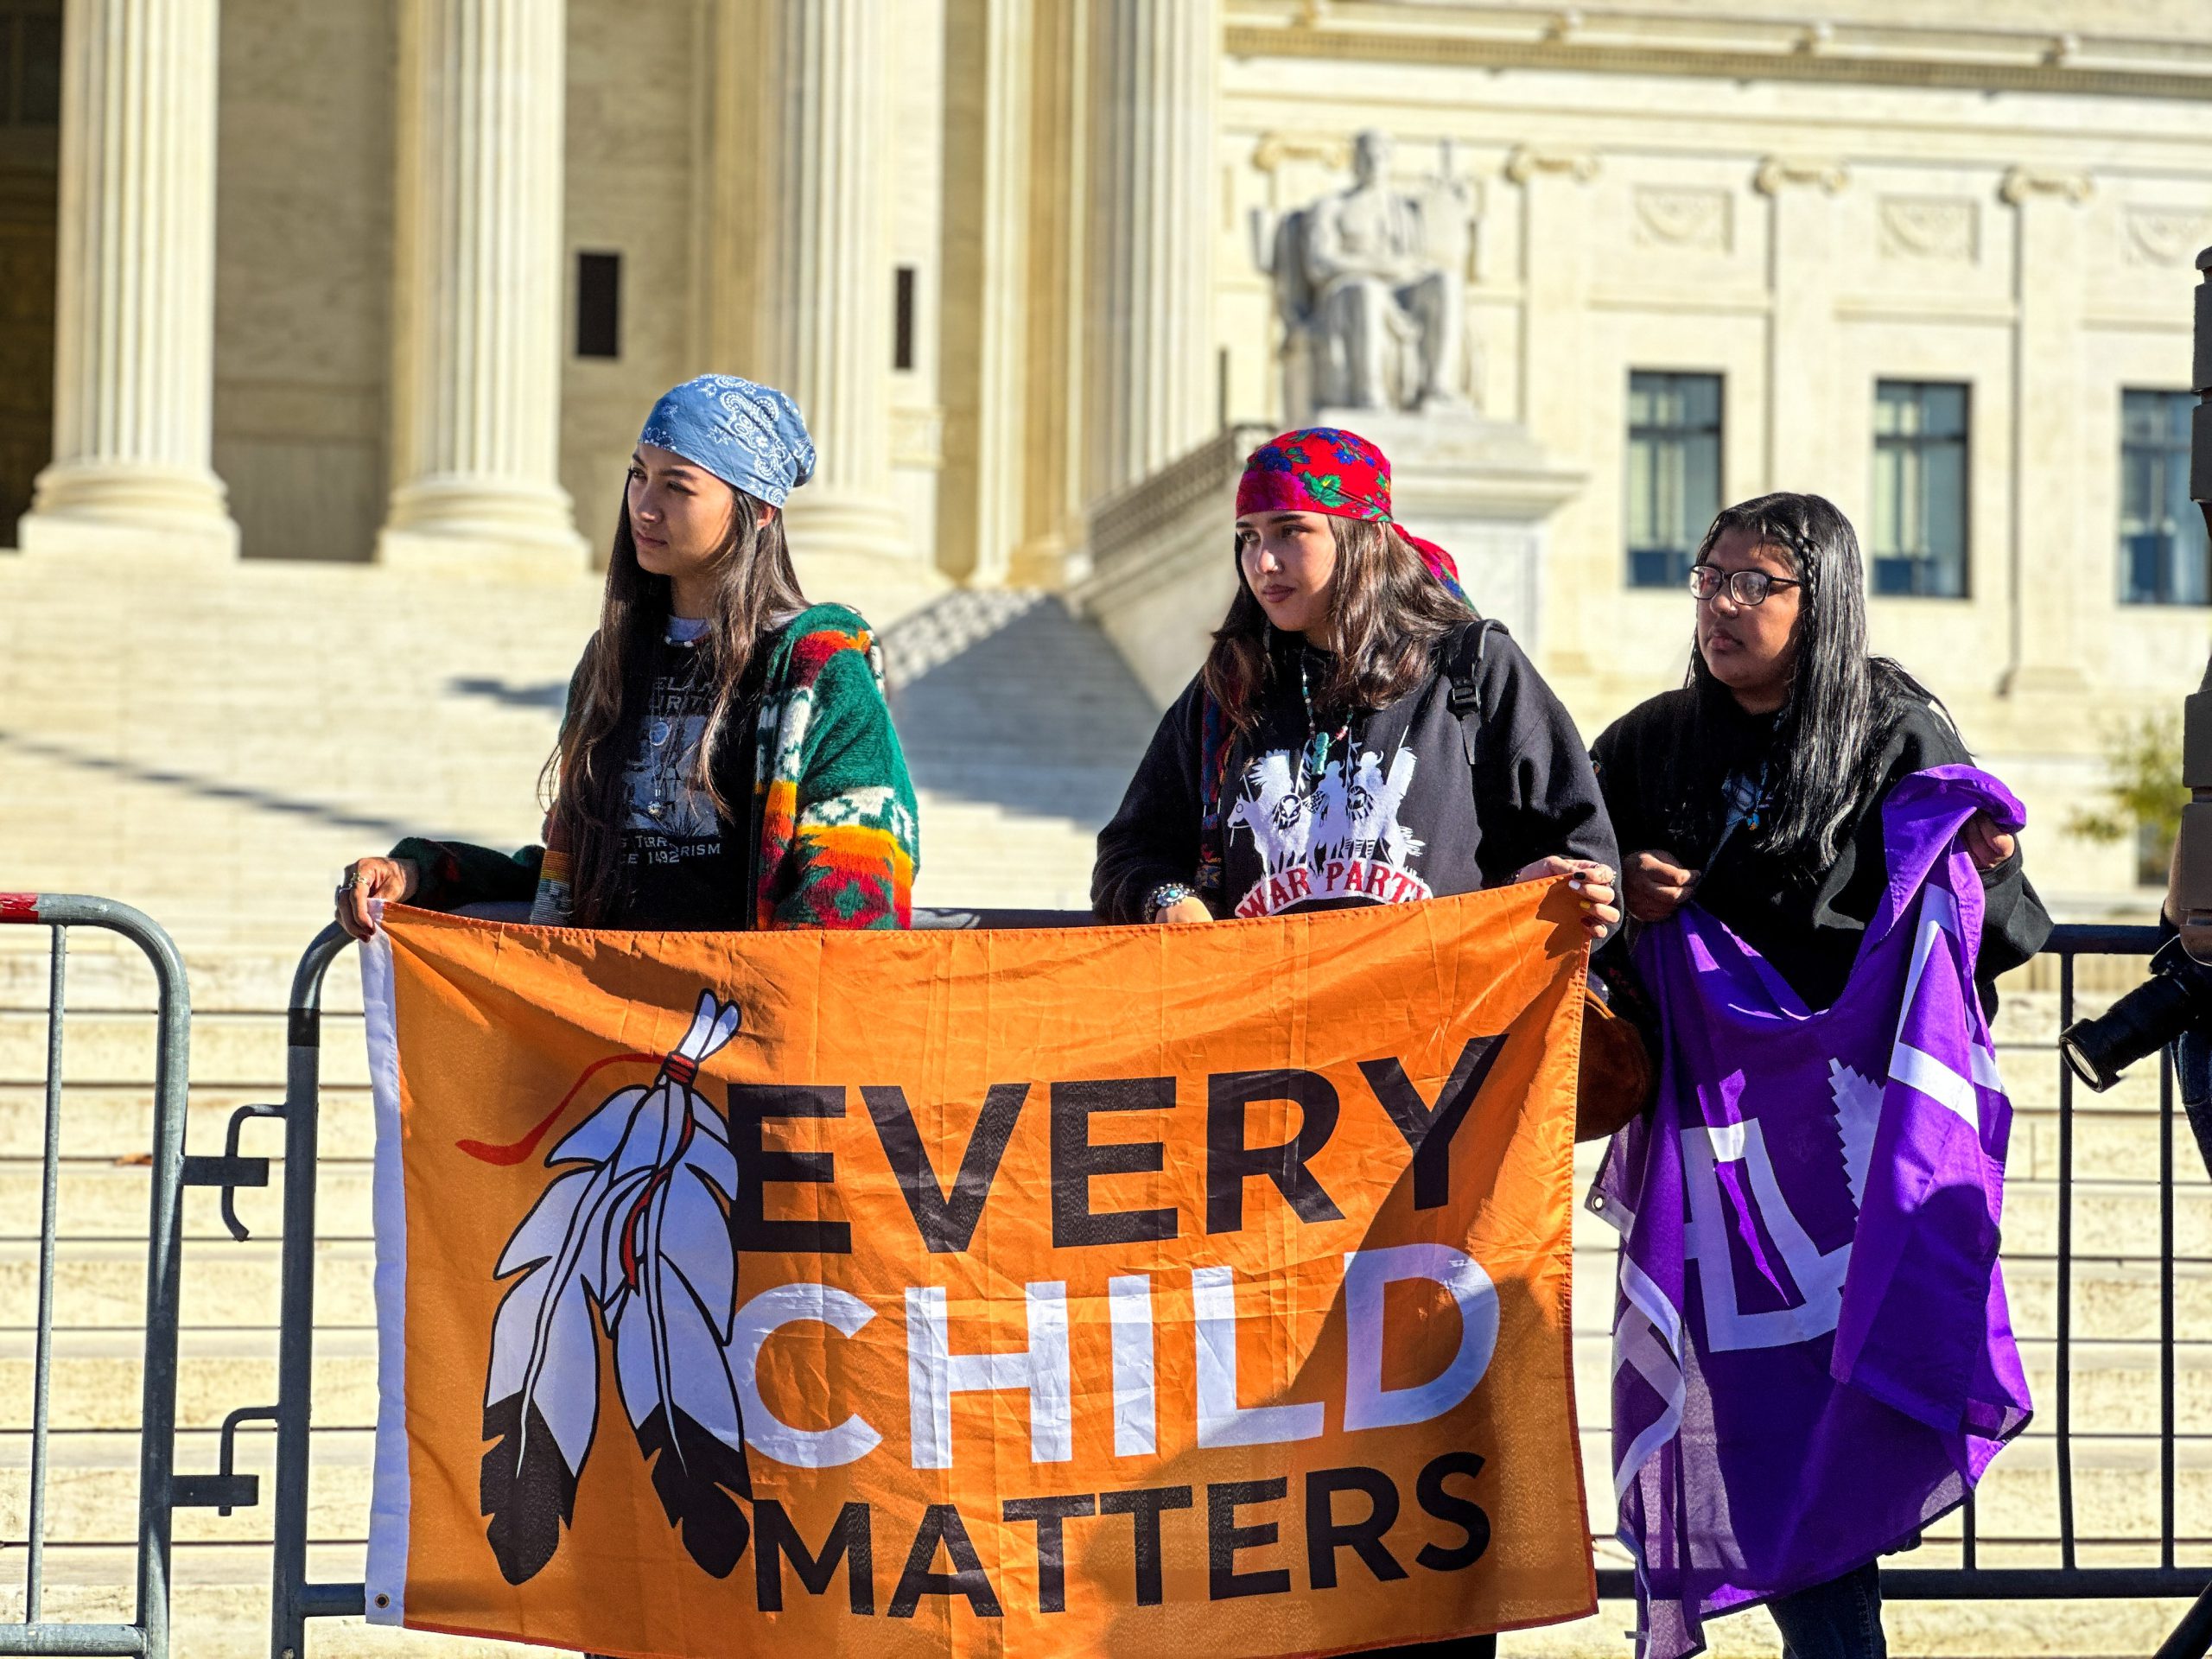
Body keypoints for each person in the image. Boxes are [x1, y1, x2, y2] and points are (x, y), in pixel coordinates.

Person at [1591, 491, 2051, 1658]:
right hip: (1728, 1176)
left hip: (1863, 1162)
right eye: (1709, 580)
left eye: (1756, 583)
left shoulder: (1897, 730)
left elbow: (2000, 939)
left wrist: (1979, 861)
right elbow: (1567, 900)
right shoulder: (1646, 747)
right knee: (1764, 1420)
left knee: (1847, 1422)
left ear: (1825, 599)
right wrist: (1612, 896)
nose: (1724, 606)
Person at [334, 374, 918, 938]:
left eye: (677, 486)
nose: (644, 506)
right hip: (609, 1021)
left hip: (736, 1023)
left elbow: (852, 901)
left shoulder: (821, 670)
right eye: (639, 476)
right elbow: (582, 877)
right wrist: (424, 876)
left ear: (760, 509)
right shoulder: (610, 662)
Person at [1093, 424, 1618, 937]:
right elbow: (1128, 854)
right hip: (1264, 1019)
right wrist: (1167, 900)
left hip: (1439, 1020)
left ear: (1359, 538)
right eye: (1248, 537)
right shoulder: (1229, 688)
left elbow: (1584, 851)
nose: (1263, 562)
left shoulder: (1473, 667)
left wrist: (1543, 889)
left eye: (1290, 530)